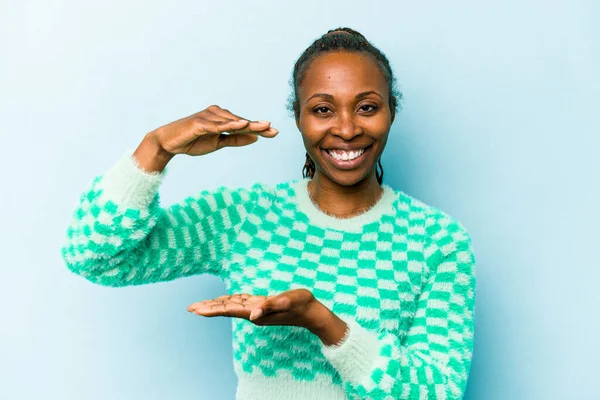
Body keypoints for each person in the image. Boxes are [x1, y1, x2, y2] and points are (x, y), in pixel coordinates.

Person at [61, 27, 477, 400]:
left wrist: (324, 324)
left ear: (391, 112)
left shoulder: (437, 241)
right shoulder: (245, 216)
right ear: (298, 117)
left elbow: (437, 392)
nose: (347, 129)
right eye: (323, 109)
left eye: (367, 107)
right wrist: (155, 149)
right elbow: (94, 257)